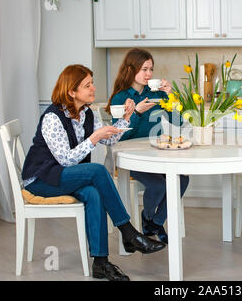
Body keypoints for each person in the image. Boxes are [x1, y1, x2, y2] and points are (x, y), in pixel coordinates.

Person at [22, 64, 166, 281]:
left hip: (64, 176)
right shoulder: (53, 117)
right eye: (87, 85)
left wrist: (128, 116)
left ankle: (100, 264)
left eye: (92, 83)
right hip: (42, 179)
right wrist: (93, 138)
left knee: (93, 193)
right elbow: (65, 160)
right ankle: (129, 233)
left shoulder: (87, 113)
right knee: (97, 171)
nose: (93, 89)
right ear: (71, 91)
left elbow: (109, 138)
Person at [106, 48, 189, 244]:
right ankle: (151, 220)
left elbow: (178, 122)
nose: (149, 74)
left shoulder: (157, 95)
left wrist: (171, 96)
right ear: (131, 69)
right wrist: (137, 113)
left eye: (151, 69)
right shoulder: (121, 98)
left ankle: (153, 221)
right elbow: (118, 135)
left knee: (183, 180)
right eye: (144, 69)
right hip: (131, 158)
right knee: (158, 185)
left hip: (156, 154)